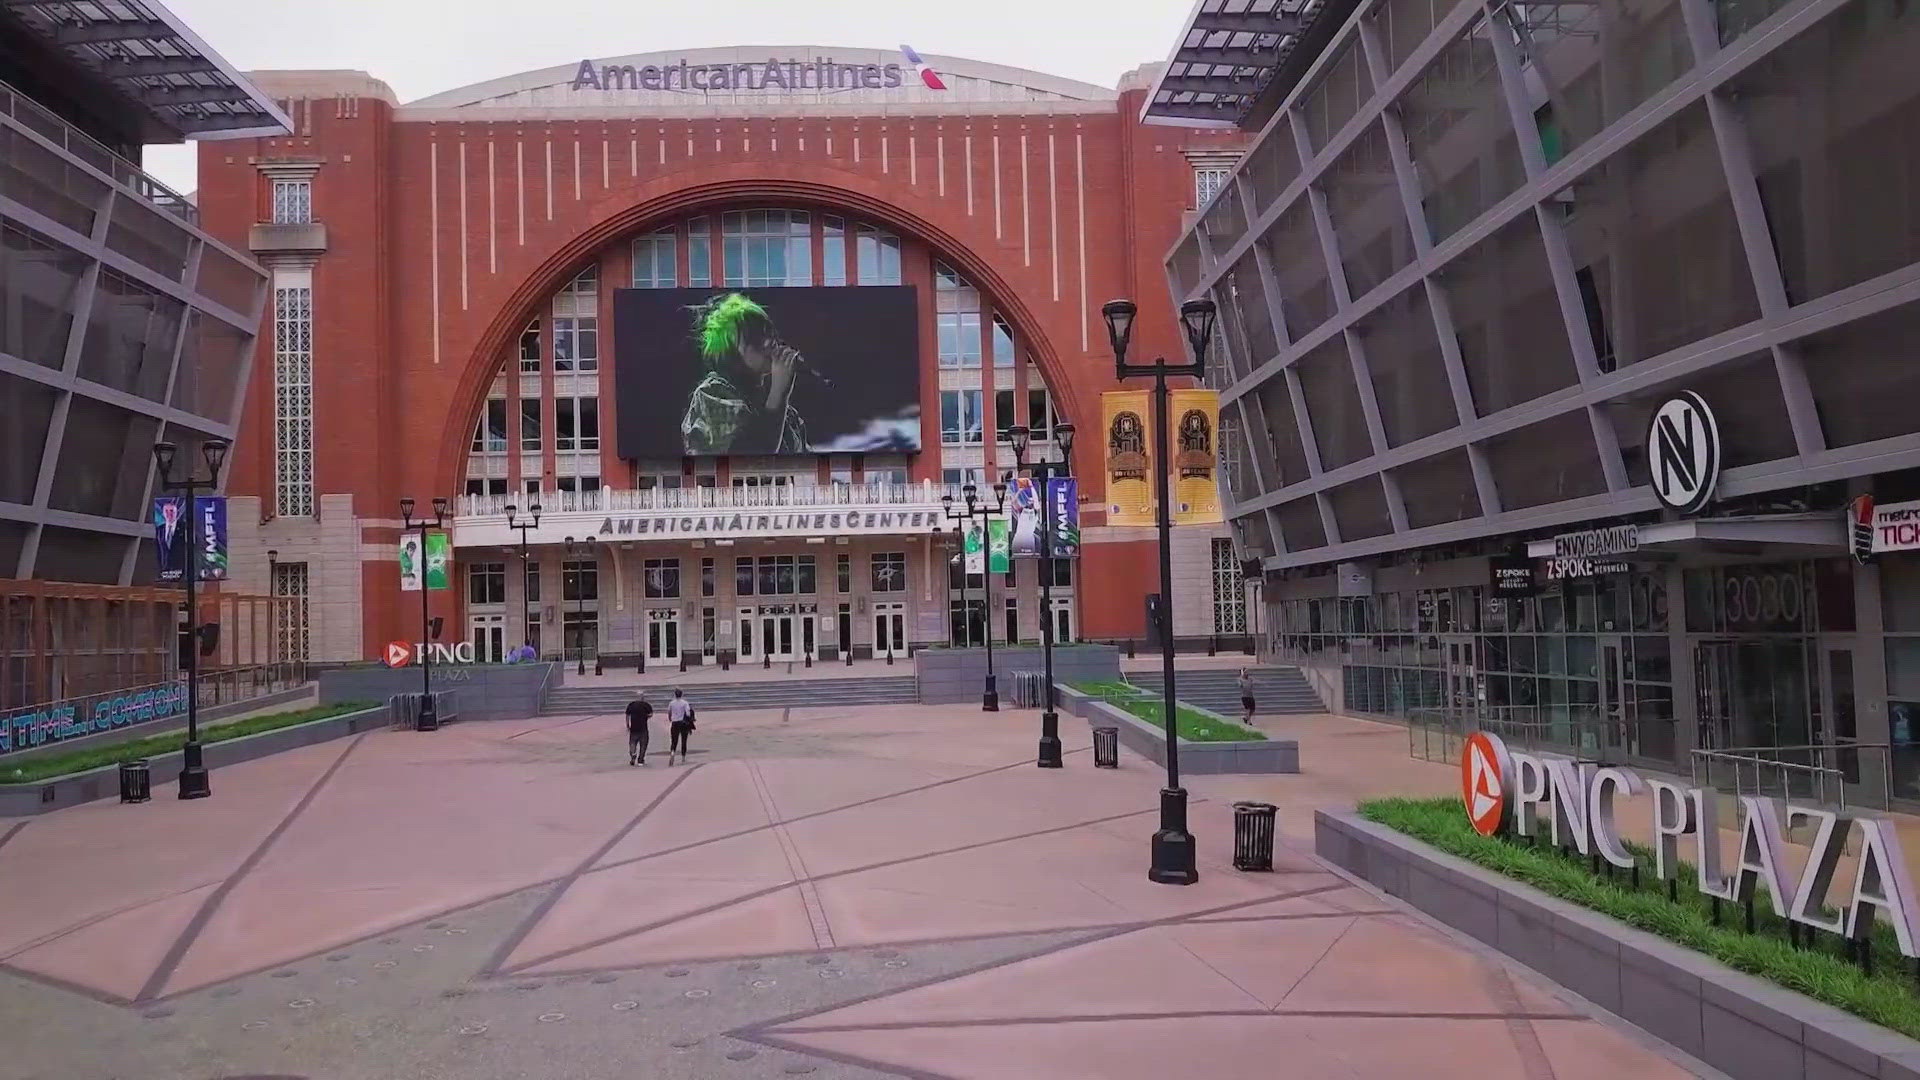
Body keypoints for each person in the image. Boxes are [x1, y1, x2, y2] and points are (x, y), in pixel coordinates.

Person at [680, 293, 809, 454]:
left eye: (769, 332)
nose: (769, 341)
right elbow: (749, 464)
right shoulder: (712, 394)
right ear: (729, 351)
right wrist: (779, 394)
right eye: (755, 337)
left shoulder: (787, 413)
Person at [666, 689, 695, 765]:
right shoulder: (685, 703)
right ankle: (683, 757)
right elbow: (688, 713)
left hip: (674, 722)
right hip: (683, 723)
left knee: (674, 740)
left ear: (675, 694)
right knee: (684, 740)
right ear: (682, 694)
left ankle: (672, 752)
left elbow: (669, 712)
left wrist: (670, 719)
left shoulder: (671, 703)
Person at [625, 694, 653, 766]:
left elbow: (627, 715)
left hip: (634, 728)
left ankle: (633, 753)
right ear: (642, 698)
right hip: (643, 728)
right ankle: (640, 760)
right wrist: (646, 716)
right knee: (643, 745)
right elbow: (650, 714)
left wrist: (628, 725)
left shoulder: (631, 705)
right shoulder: (646, 705)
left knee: (632, 743)